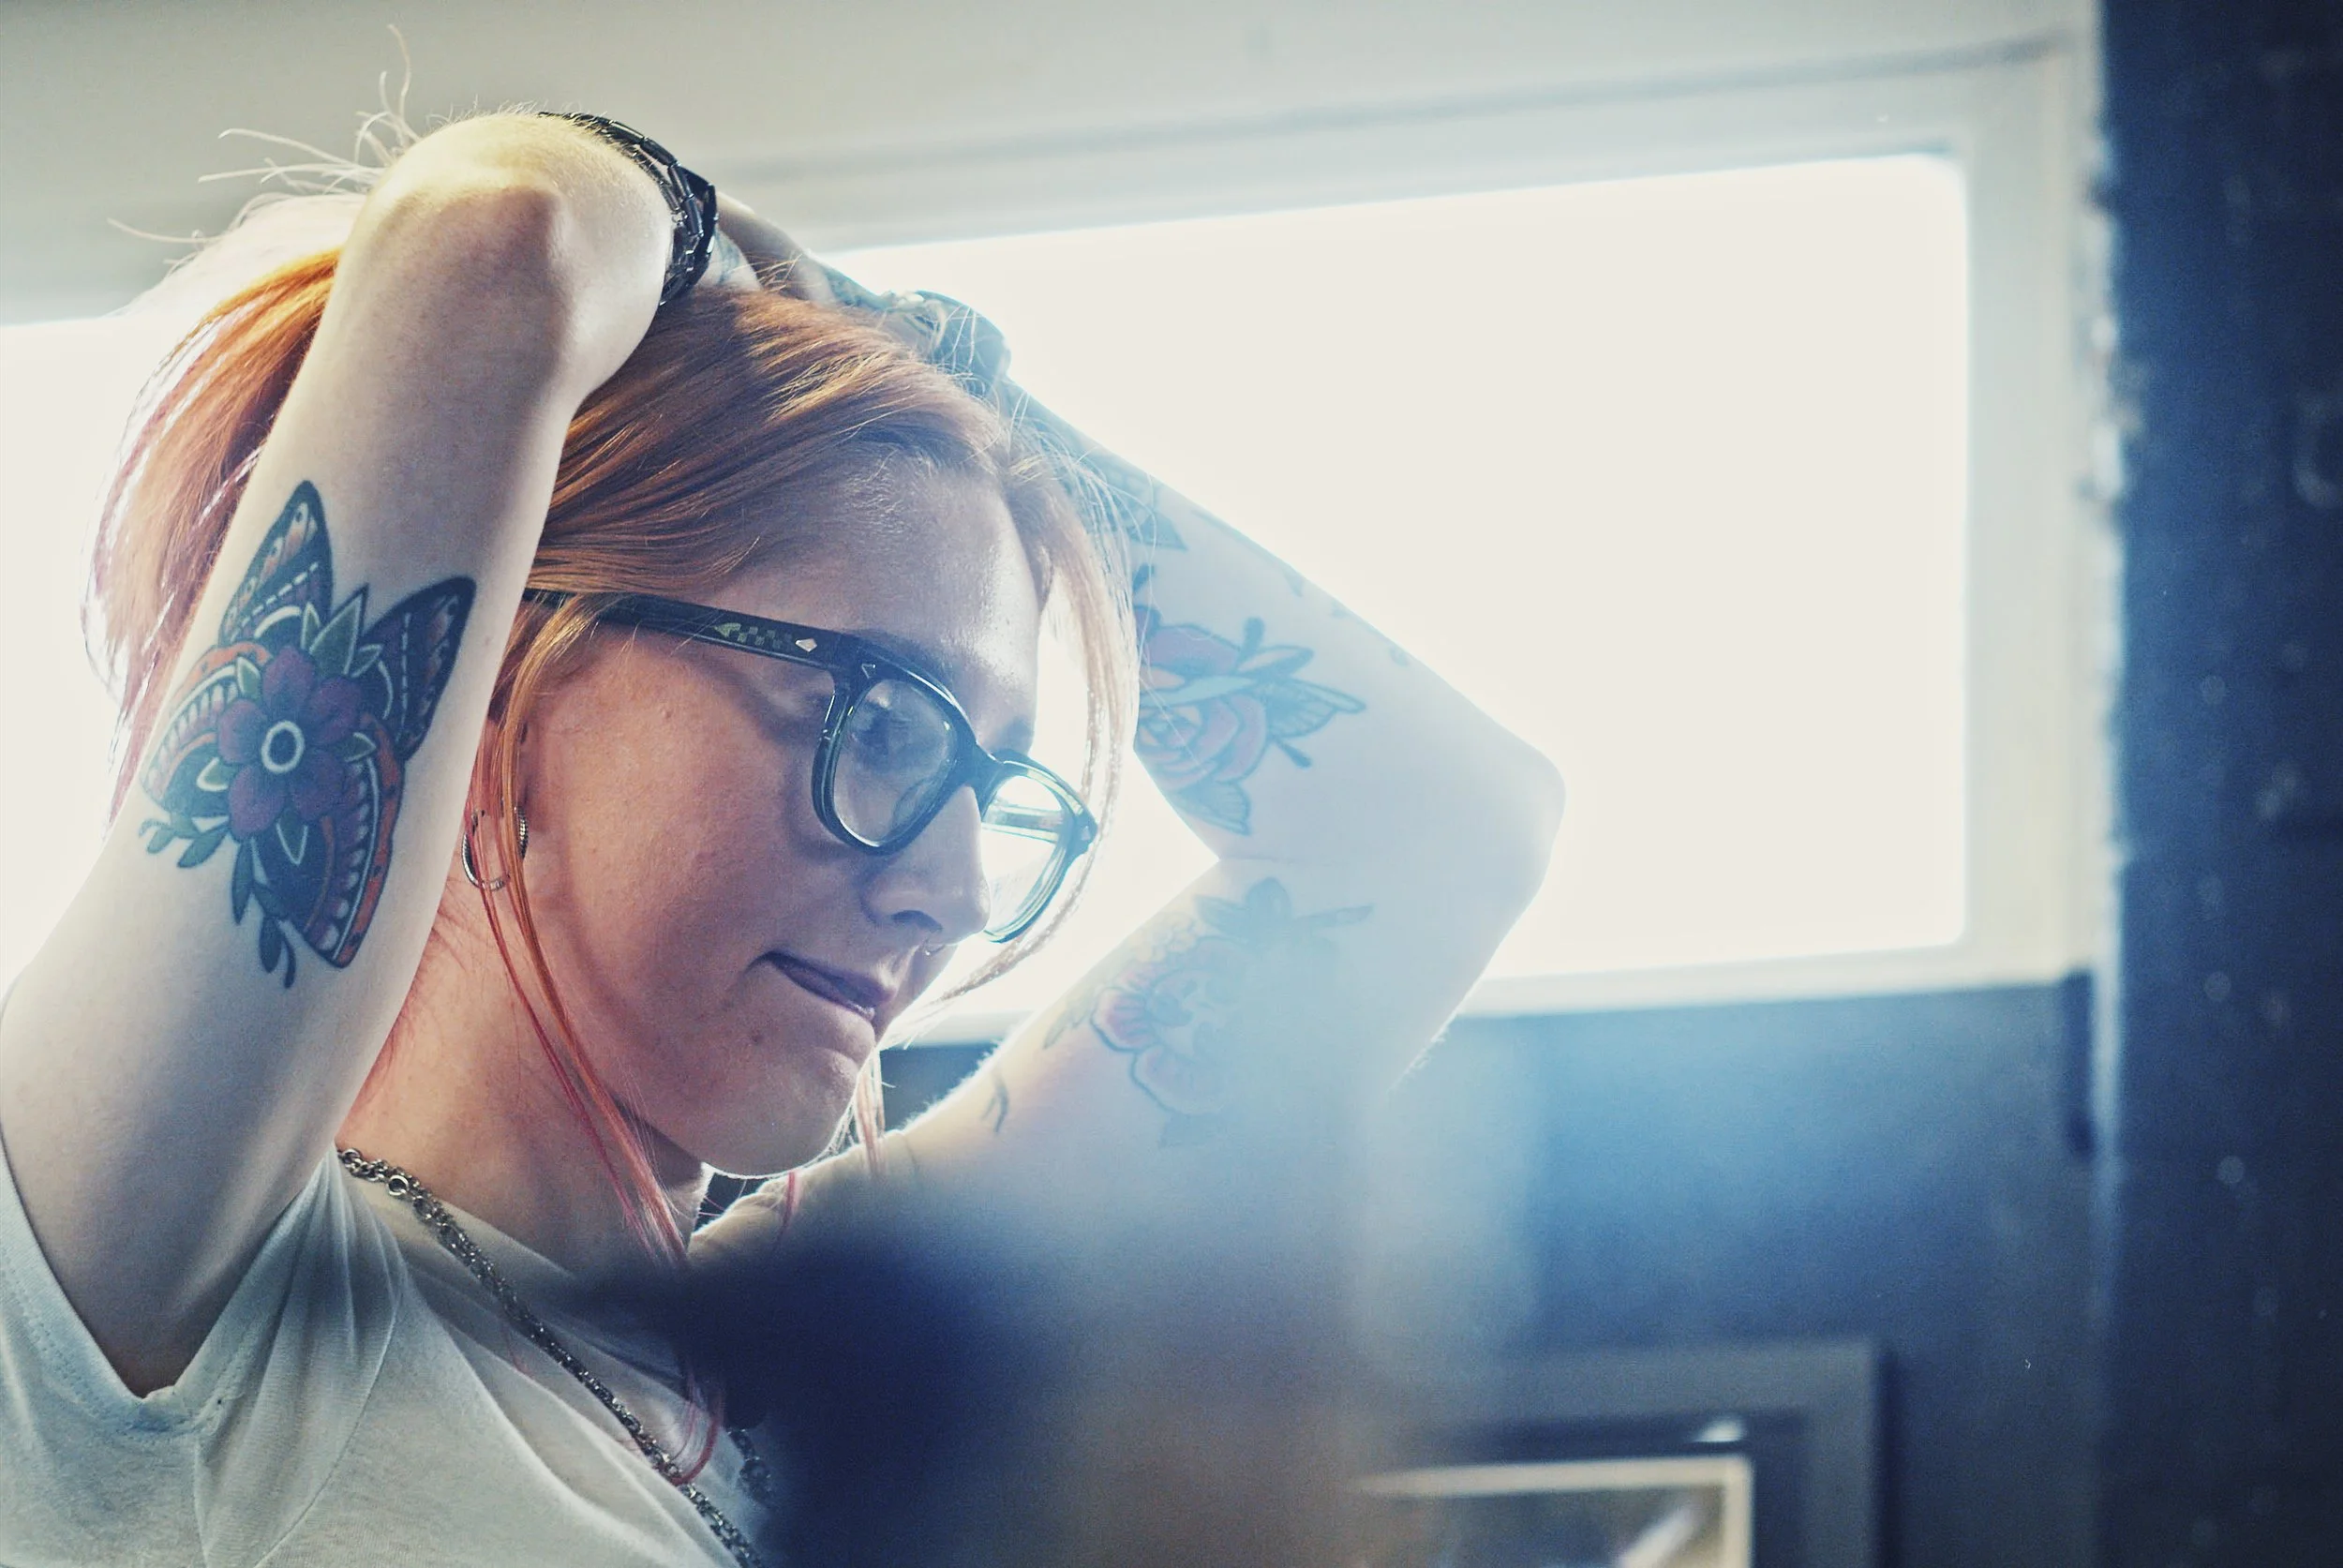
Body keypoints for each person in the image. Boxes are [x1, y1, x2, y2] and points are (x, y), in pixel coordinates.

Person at [0, 110, 1561, 1566]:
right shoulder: (165, 1283)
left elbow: (1441, 836)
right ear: (501, 675)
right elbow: (492, 240)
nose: (955, 892)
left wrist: (946, 380)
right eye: (884, 725)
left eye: (995, 787)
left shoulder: (778, 1361)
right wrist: (736, 252)